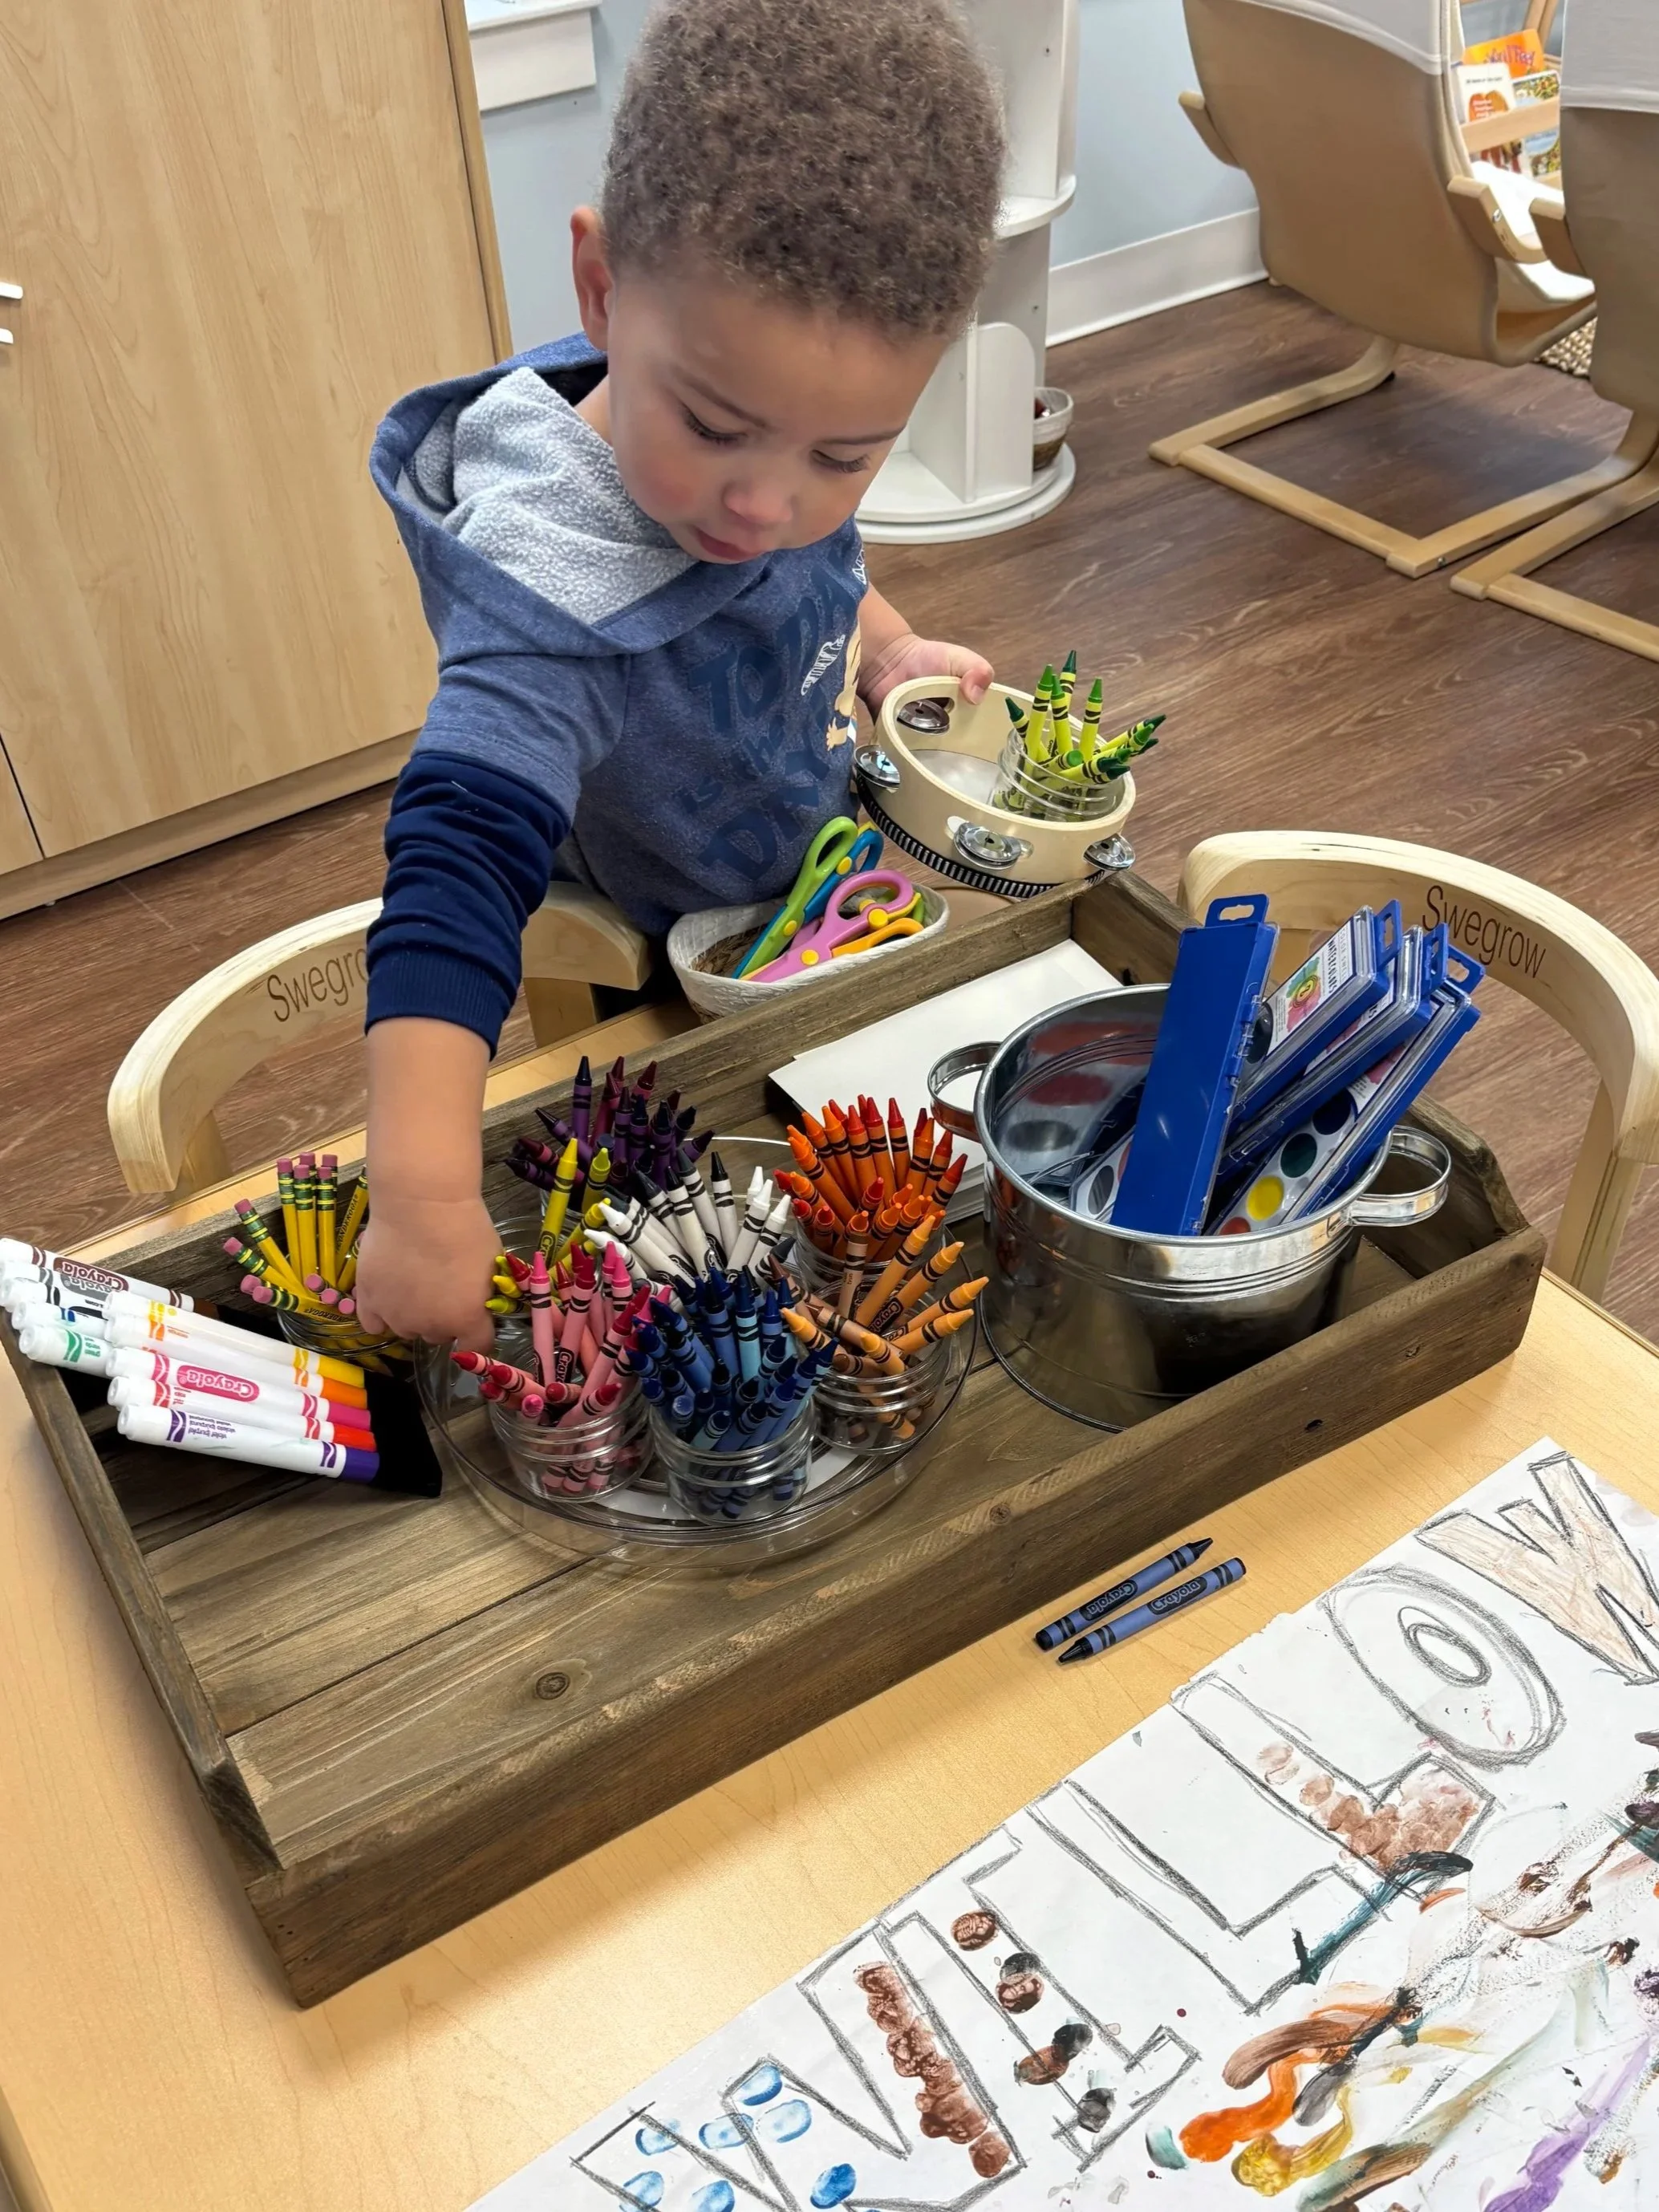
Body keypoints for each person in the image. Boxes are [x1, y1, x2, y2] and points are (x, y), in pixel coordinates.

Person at [356, 0, 1004, 1347]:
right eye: (716, 427)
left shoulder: (756, 454)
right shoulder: (549, 591)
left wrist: (887, 645)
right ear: (599, 292)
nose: (768, 501)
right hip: (641, 975)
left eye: (849, 456)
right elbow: (454, 864)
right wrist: (421, 1193)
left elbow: (812, 568)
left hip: (799, 901)